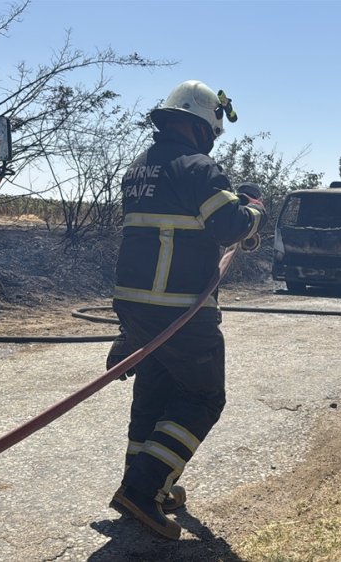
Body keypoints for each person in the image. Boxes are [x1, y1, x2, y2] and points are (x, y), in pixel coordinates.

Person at [105, 80, 265, 540]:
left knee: (155, 393)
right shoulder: (199, 166)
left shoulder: (140, 168)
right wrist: (253, 208)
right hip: (180, 311)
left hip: (135, 306)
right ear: (203, 124)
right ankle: (143, 487)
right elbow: (228, 225)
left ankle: (143, 484)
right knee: (202, 397)